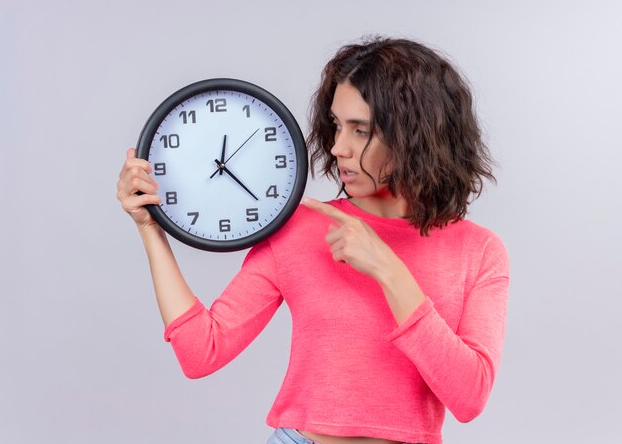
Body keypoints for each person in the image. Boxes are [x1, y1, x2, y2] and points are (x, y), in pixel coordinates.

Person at [117, 36, 510, 444]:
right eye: (337, 126)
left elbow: (469, 396)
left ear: (417, 136)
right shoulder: (300, 227)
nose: (338, 147)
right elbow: (201, 351)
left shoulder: (479, 251)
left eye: (361, 130)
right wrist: (150, 228)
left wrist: (390, 271)